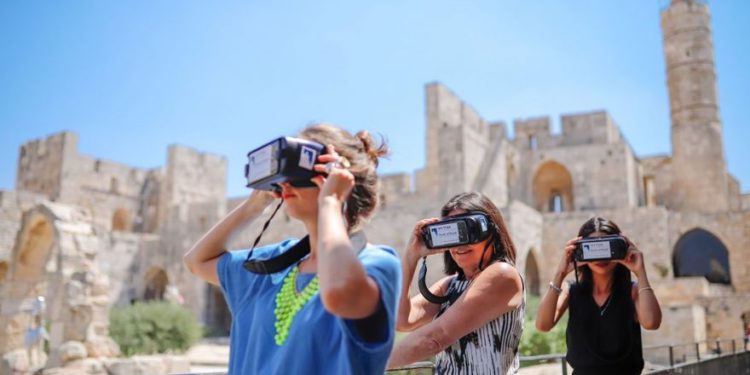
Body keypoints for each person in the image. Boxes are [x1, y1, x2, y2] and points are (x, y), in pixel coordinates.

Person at [183, 124, 401, 374]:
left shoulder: (376, 264)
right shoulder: (274, 264)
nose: (287, 182)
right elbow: (197, 261)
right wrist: (255, 204)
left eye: (298, 169)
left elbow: (339, 293)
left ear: (336, 175)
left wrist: (331, 202)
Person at [387, 192, 525, 374]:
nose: (460, 245)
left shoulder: (503, 275)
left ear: (491, 231)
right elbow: (402, 320)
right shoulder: (451, 285)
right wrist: (411, 256)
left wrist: (368, 364)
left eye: (469, 231)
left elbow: (435, 337)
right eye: (452, 233)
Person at [535, 217, 662, 375]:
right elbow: (542, 325)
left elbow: (652, 323)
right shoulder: (570, 290)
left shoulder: (634, 291)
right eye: (592, 248)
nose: (600, 257)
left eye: (608, 247)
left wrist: (640, 272)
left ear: (621, 247)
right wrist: (560, 273)